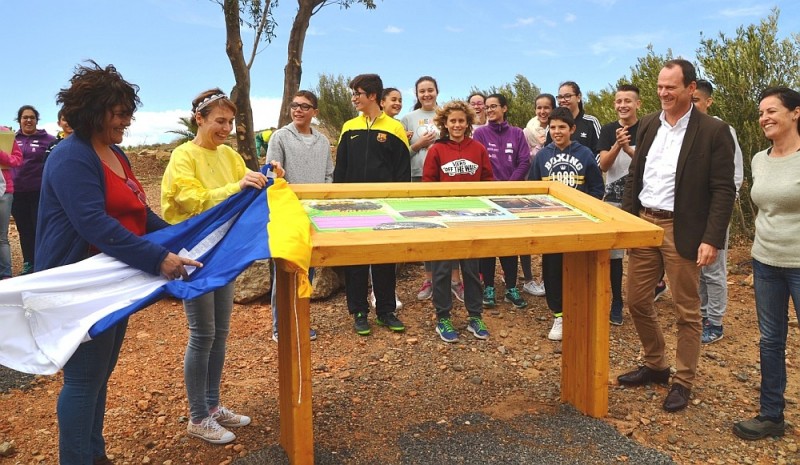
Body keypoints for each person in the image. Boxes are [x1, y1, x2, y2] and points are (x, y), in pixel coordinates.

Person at [35, 61, 201, 465]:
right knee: (83, 379)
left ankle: (95, 455)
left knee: (99, 375)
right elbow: (93, 223)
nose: (127, 120)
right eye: (119, 112)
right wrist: (158, 258)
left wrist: (190, 235)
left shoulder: (115, 153)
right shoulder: (71, 157)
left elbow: (140, 214)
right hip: (80, 286)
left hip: (114, 282)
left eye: (129, 111)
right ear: (93, 110)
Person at [161, 88, 282, 444]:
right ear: (199, 119)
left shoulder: (228, 154)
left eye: (230, 121)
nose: (226, 128)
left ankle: (212, 406)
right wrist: (235, 186)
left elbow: (247, 184)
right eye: (219, 121)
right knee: (201, 334)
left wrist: (266, 173)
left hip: (223, 256)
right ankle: (198, 416)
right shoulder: (183, 156)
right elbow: (189, 199)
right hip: (194, 256)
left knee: (220, 334)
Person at [618, 59, 736, 413]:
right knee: (637, 300)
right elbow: (636, 174)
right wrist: (628, 219)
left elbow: (723, 190)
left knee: (687, 311)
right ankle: (656, 365)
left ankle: (683, 381)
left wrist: (712, 238)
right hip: (645, 224)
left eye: (670, 87)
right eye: (659, 87)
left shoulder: (714, 130)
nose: (663, 93)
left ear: (691, 89)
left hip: (681, 229)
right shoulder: (650, 124)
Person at [732, 87, 800, 441]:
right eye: (761, 113)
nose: (764, 118)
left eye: (772, 110)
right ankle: (771, 415)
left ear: (795, 113)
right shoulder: (759, 159)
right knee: (771, 340)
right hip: (765, 261)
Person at [333, 73, 410, 336]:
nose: (354, 98)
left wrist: (398, 204)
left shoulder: (394, 128)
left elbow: (402, 171)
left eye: (358, 93)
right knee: (355, 259)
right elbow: (340, 169)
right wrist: (338, 202)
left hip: (385, 208)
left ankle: (386, 310)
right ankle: (358, 312)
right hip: (352, 207)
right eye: (353, 93)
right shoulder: (348, 126)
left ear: (373, 96)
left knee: (384, 257)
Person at [528, 107, 604, 341]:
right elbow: (532, 190)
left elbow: (597, 188)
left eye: (562, 127)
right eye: (553, 127)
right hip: (552, 225)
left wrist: (587, 214)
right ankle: (559, 315)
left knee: (580, 269)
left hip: (579, 224)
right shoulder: (542, 155)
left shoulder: (585, 154)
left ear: (572, 129)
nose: (557, 131)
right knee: (552, 271)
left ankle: (580, 313)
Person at [423, 100, 494, 343]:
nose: (457, 125)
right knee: (441, 270)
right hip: (444, 218)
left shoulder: (478, 148)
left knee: (472, 270)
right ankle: (443, 317)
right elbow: (428, 184)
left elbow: (487, 180)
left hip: (472, 217)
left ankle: (475, 316)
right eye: (452, 120)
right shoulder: (436, 150)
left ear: (468, 123)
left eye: (461, 120)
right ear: (445, 123)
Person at [266, 90, 332, 342]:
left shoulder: (323, 141)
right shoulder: (280, 137)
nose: (298, 110)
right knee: (284, 270)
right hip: (288, 213)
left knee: (308, 269)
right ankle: (280, 326)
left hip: (314, 213)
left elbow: (328, 174)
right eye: (295, 105)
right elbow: (273, 175)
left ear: (314, 112)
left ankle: (301, 321)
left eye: (305, 106)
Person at [691, 79, 744, 344]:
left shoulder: (722, 129)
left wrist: (722, 209)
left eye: (697, 101)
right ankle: (702, 315)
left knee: (713, 268)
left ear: (708, 101)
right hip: (690, 213)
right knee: (696, 266)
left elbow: (735, 174)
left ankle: (715, 321)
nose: (692, 106)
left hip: (714, 212)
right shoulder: (684, 131)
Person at [402, 76, 463, 303]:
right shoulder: (408, 119)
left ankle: (455, 280)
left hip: (447, 179)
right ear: (416, 95)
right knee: (428, 230)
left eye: (430, 90)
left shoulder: (446, 115)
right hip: (418, 178)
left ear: (437, 91)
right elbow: (401, 154)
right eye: (422, 91)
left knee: (453, 228)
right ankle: (429, 278)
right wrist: (419, 145)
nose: (426, 94)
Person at [473, 93, 530, 310]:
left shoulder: (517, 133)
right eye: (487, 107)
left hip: (511, 196)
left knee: (509, 242)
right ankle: (488, 287)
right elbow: (479, 162)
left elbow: (524, 161)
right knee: (488, 243)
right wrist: (492, 187)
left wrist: (508, 187)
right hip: (486, 197)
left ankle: (511, 288)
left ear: (504, 108)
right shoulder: (480, 134)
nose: (489, 110)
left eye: (494, 106)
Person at [597, 84, 642, 325]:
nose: (622, 105)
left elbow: (648, 163)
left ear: (638, 104)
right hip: (613, 199)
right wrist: (617, 145)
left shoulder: (647, 128)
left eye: (628, 100)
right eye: (618, 101)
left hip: (642, 199)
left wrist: (628, 148)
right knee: (614, 254)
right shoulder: (608, 130)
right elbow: (603, 165)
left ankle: (644, 297)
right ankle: (616, 301)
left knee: (642, 252)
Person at [12, 105, 55, 275]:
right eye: (25, 117)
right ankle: (29, 263)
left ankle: (44, 263)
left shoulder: (49, 139)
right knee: (24, 230)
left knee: (40, 228)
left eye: (32, 117)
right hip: (17, 193)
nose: (28, 120)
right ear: (20, 120)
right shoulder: (12, 139)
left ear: (37, 120)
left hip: (39, 192)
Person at [521, 93, 557, 298]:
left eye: (547, 108)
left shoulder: (558, 129)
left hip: (551, 187)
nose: (542, 112)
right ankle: (528, 278)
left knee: (549, 236)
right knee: (528, 234)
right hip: (530, 183)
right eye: (539, 108)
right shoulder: (528, 131)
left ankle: (547, 278)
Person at [548, 81, 601, 154]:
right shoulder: (552, 124)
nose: (563, 100)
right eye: (560, 97)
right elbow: (546, 153)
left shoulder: (591, 122)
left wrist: (589, 165)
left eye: (567, 96)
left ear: (578, 97)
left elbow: (600, 152)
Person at [0, 126, 22, 280]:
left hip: (4, 190)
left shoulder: (5, 133)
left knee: (2, 237)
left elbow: (17, 159)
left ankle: (6, 275)